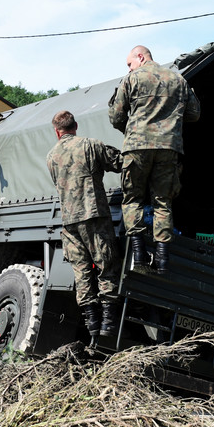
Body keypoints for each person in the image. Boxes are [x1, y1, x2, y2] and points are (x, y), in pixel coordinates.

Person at [108, 45, 201, 273]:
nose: (129, 68)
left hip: (137, 146)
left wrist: (131, 132)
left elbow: (115, 115)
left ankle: (139, 257)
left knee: (133, 199)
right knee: (162, 202)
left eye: (130, 63)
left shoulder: (131, 79)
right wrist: (171, 123)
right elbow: (194, 114)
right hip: (169, 147)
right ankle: (162, 261)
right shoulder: (178, 80)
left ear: (140, 57)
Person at [46, 110, 123, 342]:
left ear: (57, 132)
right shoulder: (90, 145)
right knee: (106, 265)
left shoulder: (51, 156)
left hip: (69, 223)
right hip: (94, 215)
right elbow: (120, 163)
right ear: (75, 126)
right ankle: (108, 322)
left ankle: (92, 323)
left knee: (81, 271)